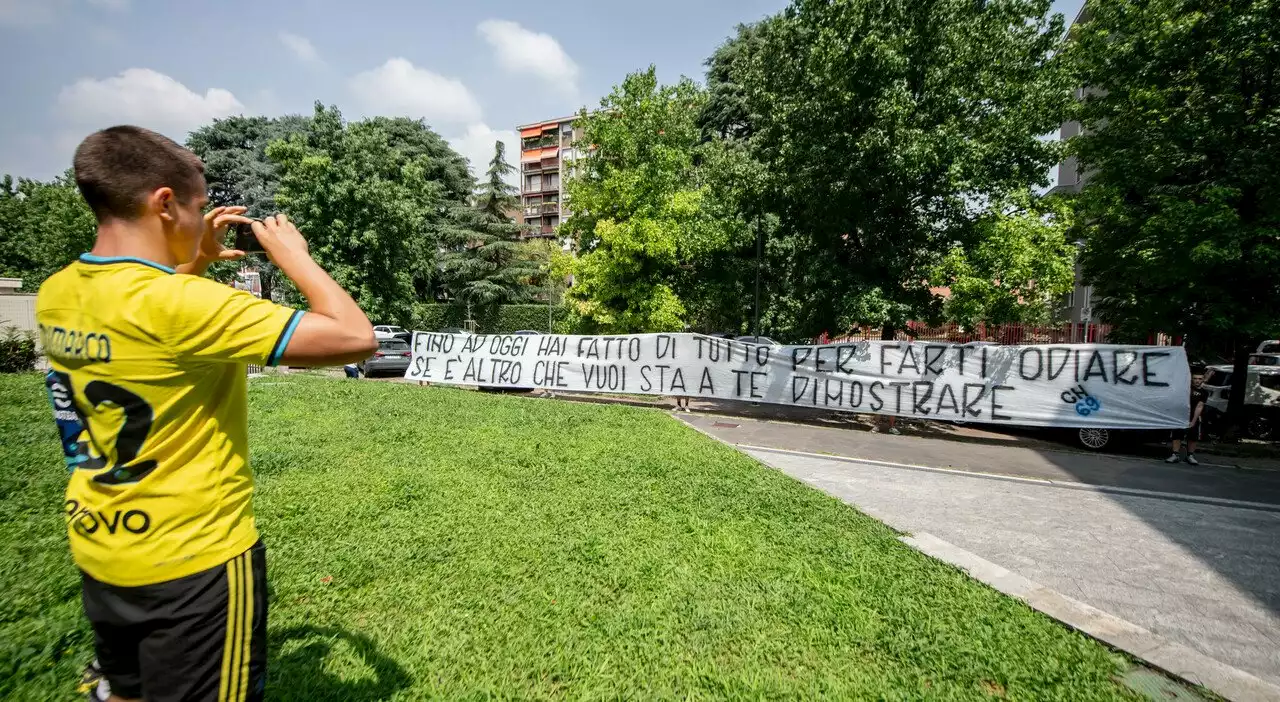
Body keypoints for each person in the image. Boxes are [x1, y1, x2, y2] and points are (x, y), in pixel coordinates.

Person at [38, 125, 377, 702]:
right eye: (198, 206)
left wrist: (193, 261)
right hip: (194, 561)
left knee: (124, 690)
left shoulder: (60, 291)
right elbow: (353, 337)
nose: (201, 220)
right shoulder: (189, 304)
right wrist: (295, 257)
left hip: (102, 545)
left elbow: (154, 334)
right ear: (164, 203)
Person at [1167, 371, 1208, 465]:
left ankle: (1190, 456)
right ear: (1191, 379)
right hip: (1180, 416)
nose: (1197, 381)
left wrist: (1193, 421)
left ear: (1203, 380)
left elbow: (1199, 406)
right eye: (1195, 378)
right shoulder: (1185, 389)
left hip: (1193, 417)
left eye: (1200, 379)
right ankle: (1175, 455)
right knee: (1177, 435)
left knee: (1193, 437)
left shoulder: (1204, 392)